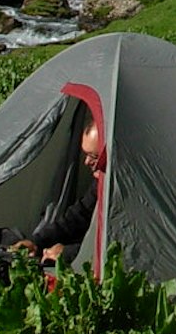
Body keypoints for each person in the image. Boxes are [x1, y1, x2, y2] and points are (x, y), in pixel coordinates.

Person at [11, 112, 106, 264]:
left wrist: (70, 253)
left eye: (95, 157)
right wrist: (37, 242)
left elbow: (127, 242)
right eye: (86, 155)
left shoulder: (134, 191)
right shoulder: (101, 181)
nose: (87, 162)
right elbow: (78, 216)